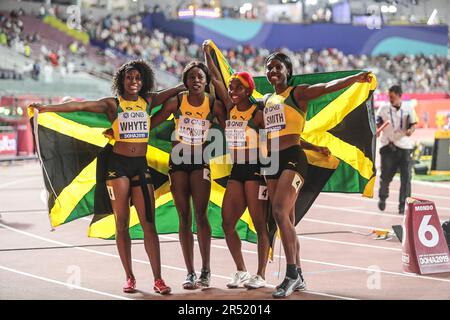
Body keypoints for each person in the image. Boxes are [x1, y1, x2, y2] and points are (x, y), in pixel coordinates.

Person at [30, 59, 185, 295]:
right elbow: (78, 107)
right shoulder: (113, 105)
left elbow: (175, 91)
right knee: (121, 223)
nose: (133, 82)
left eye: (137, 78)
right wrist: (46, 108)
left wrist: (191, 83)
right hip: (118, 167)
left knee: (148, 224)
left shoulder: (149, 101)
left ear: (143, 81)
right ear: (121, 81)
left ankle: (158, 278)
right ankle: (130, 277)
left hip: (140, 166)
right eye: (129, 78)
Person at [262, 52, 371, 298]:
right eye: (269, 68)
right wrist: (314, 147)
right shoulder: (267, 99)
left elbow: (326, 88)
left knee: (279, 211)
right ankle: (298, 273)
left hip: (292, 157)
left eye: (278, 67)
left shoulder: (297, 93)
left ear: (287, 71)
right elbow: (278, 131)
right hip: (271, 161)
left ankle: (290, 274)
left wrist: (353, 78)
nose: (273, 72)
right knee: (286, 217)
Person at [151, 61, 226, 289]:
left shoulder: (213, 104)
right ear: (185, 82)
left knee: (201, 215)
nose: (196, 81)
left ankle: (206, 270)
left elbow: (232, 125)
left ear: (206, 82)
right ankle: (190, 272)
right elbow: (151, 122)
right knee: (184, 217)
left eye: (200, 78)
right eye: (192, 77)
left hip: (199, 162)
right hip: (178, 162)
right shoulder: (177, 102)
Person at [203, 41, 269, 289]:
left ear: (248, 90)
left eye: (237, 87)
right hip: (236, 171)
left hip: (255, 171)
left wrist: (270, 173)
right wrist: (207, 53)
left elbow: (273, 141)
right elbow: (215, 78)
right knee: (227, 223)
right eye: (231, 87)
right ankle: (241, 270)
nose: (232, 90)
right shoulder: (230, 109)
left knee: (260, 223)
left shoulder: (257, 114)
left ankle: (260, 274)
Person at [376, 85, 416, 215]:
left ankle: (403, 206)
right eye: (389, 97)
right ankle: (382, 197)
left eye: (392, 97)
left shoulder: (408, 108)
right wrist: (376, 130)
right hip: (388, 145)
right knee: (386, 177)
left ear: (400, 95)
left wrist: (410, 130)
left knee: (406, 178)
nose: (390, 99)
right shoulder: (383, 108)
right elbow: (377, 122)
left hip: (404, 146)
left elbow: (413, 124)